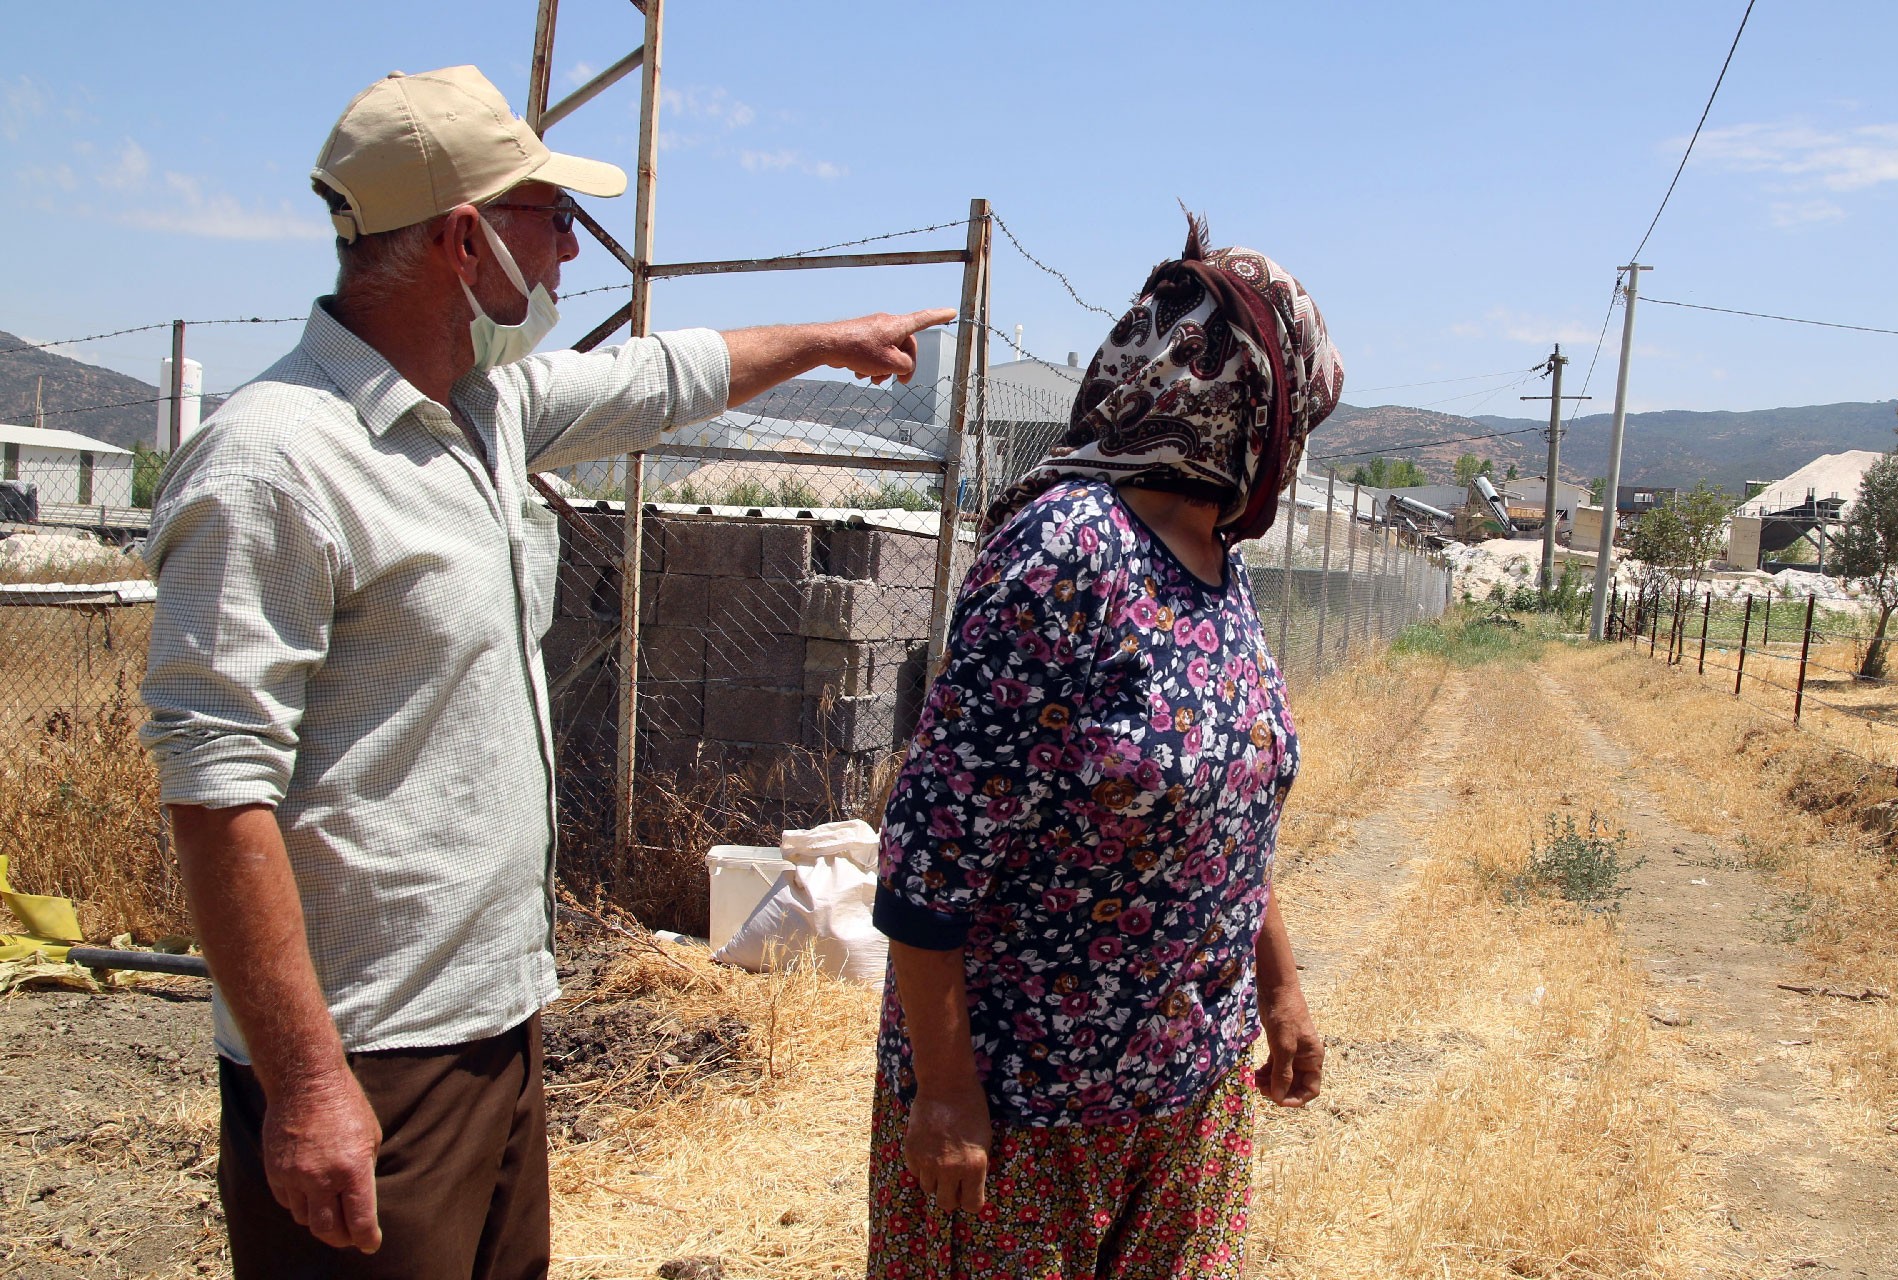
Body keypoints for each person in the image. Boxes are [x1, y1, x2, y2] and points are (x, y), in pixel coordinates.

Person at [139, 64, 952, 1280]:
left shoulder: (478, 410)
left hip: (496, 1024)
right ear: (467, 241)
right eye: (552, 219)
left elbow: (665, 373)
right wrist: (308, 1087)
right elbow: (216, 791)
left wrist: (830, 340)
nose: (572, 252)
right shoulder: (273, 463)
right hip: (369, 1059)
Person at [867, 217, 1342, 1279]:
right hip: (1030, 1109)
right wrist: (946, 1088)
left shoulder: (1220, 567)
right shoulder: (1066, 548)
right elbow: (929, 850)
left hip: (1192, 1090)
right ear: (1252, 405)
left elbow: (1228, 815)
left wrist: (1280, 987)